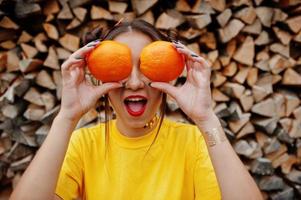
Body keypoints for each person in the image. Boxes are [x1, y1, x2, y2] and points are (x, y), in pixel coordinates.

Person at [10, 19, 262, 200]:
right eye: (118, 66)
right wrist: (66, 117)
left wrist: (206, 119)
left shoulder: (195, 144)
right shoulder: (83, 145)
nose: (134, 82)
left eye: (147, 65)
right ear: (99, 74)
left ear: (168, 72)